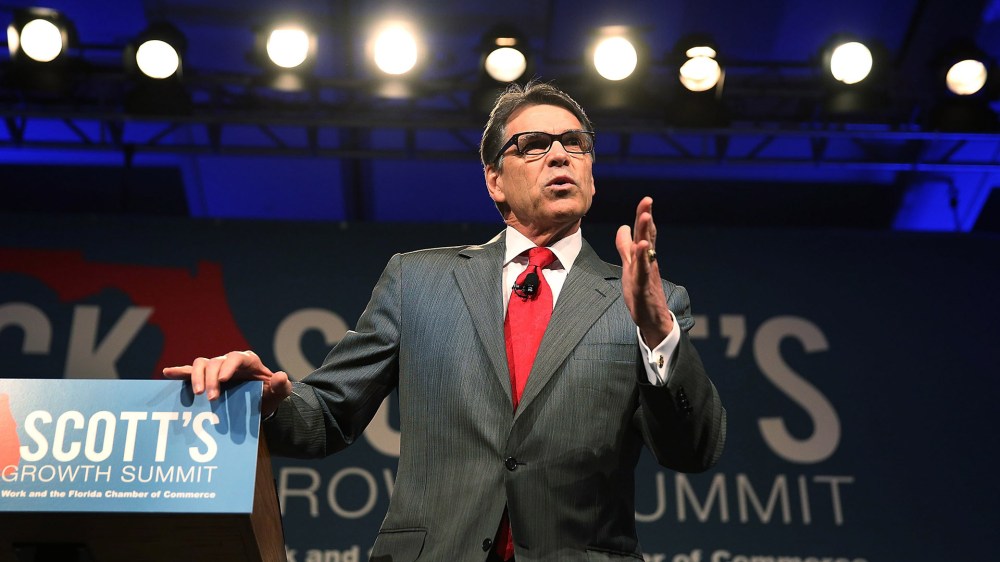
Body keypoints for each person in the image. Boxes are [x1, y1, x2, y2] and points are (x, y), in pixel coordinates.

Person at [164, 81, 725, 562]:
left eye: (574, 143)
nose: (560, 155)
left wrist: (656, 332)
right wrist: (263, 399)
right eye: (533, 146)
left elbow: (693, 450)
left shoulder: (651, 301)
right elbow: (329, 414)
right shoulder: (418, 281)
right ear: (495, 181)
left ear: (592, 173)